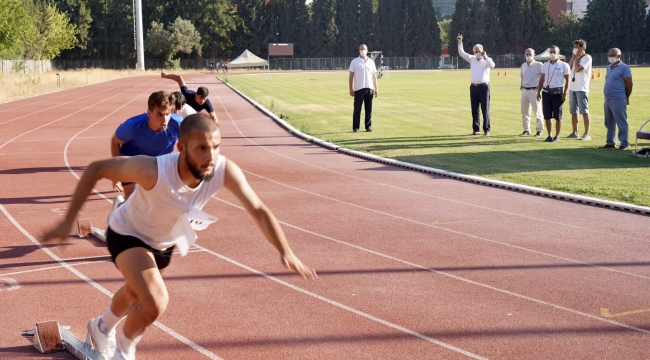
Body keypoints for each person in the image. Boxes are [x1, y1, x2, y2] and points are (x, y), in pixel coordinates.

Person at [43, 113, 317, 360]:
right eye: (201, 148)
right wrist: (67, 221)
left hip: (164, 242)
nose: (210, 156)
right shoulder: (154, 170)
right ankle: (124, 352)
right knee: (155, 302)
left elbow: (258, 209)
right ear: (181, 148)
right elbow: (95, 169)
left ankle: (101, 327)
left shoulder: (221, 170)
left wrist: (286, 250)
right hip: (127, 233)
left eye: (215, 146)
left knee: (134, 293)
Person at [110, 91, 181, 199]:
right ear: (149, 113)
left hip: (161, 162)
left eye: (167, 114)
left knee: (166, 201)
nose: (164, 119)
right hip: (133, 161)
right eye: (160, 114)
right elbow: (115, 142)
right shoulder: (131, 126)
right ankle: (122, 205)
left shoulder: (179, 124)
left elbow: (189, 146)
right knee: (132, 200)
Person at [457, 32, 495, 136]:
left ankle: (486, 130)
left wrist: (485, 56)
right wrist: (460, 42)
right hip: (473, 87)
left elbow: (492, 65)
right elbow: (462, 53)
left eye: (479, 51)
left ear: (482, 51)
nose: (477, 53)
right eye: (475, 51)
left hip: (484, 87)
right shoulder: (472, 59)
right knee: (474, 109)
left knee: (485, 109)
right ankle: (476, 129)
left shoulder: (486, 60)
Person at [600, 48, 633, 150]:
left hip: (618, 97)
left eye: (612, 55)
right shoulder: (609, 67)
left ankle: (624, 143)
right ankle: (610, 142)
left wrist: (626, 96)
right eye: (609, 55)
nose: (610, 57)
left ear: (619, 56)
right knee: (609, 122)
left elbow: (629, 83)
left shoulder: (624, 68)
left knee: (621, 121)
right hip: (608, 98)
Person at [536, 46, 570, 142]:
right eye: (551, 52)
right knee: (547, 115)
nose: (552, 54)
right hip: (546, 92)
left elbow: (567, 81)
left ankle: (557, 136)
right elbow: (541, 79)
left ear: (558, 53)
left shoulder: (564, 65)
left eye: (554, 52)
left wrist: (565, 93)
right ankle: (549, 135)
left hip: (558, 93)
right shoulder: (545, 65)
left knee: (558, 115)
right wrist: (538, 92)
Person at [348, 44, 379, 132]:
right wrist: (350, 88)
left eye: (364, 49)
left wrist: (376, 88)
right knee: (357, 109)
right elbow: (351, 76)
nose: (363, 50)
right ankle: (355, 127)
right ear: (359, 51)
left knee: (369, 109)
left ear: (367, 50)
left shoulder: (371, 62)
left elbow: (374, 76)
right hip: (358, 88)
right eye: (361, 49)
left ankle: (368, 126)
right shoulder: (355, 62)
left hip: (369, 88)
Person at [567, 39, 593, 140]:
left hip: (581, 88)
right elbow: (568, 67)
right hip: (572, 87)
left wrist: (577, 58)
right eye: (574, 48)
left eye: (576, 48)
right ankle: (574, 132)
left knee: (584, 111)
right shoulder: (575, 58)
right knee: (573, 111)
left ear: (582, 48)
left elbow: (578, 69)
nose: (574, 49)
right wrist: (573, 57)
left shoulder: (587, 58)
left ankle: (587, 134)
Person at [519, 48, 544, 137]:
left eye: (530, 54)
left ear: (534, 55)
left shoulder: (539, 65)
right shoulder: (523, 65)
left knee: (537, 111)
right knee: (525, 111)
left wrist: (539, 87)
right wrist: (521, 84)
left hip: (534, 90)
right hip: (525, 90)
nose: (528, 56)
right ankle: (526, 130)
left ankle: (539, 130)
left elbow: (543, 76)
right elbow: (522, 76)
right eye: (527, 54)